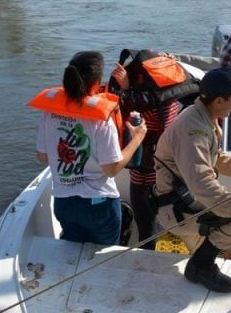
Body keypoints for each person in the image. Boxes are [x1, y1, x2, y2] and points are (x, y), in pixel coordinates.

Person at [152, 67, 231, 293]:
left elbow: (216, 157)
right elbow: (202, 186)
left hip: (187, 200)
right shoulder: (193, 128)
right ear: (219, 101)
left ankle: (201, 260)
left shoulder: (204, 117)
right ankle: (201, 265)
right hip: (177, 208)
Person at [29, 51, 147, 245]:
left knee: (72, 254)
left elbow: (43, 157)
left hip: (64, 203)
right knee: (104, 259)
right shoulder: (101, 118)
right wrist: (137, 138)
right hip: (99, 207)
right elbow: (111, 169)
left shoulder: (49, 112)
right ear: (96, 83)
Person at [108, 49, 197, 249]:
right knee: (167, 218)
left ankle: (146, 247)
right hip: (171, 168)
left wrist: (126, 89)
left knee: (146, 226)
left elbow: (124, 112)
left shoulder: (145, 105)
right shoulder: (173, 96)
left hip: (146, 170)